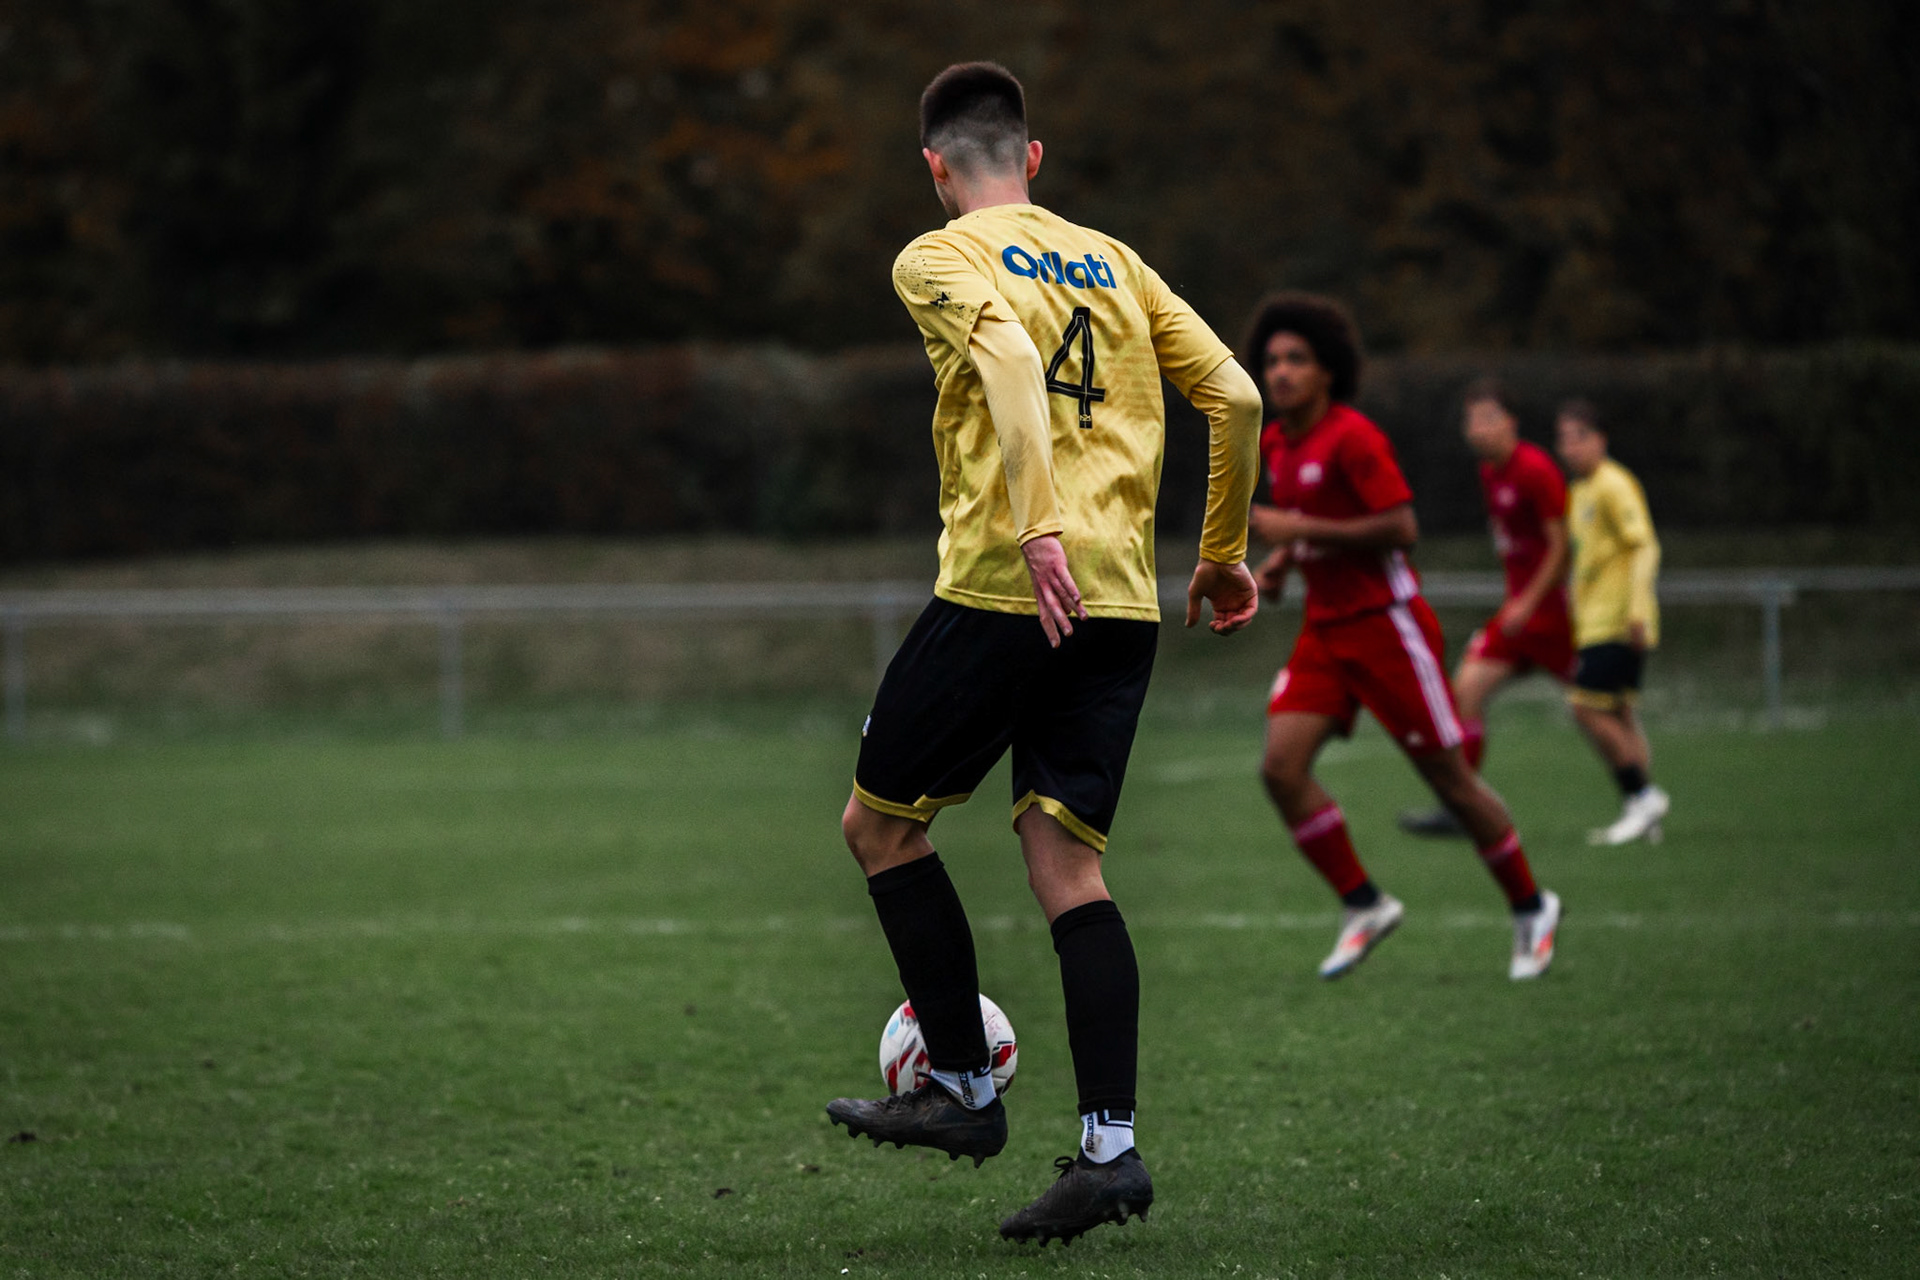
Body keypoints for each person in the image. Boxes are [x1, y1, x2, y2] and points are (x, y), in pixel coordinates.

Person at [824, 62, 1263, 1247]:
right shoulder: (1114, 259)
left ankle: (962, 1083)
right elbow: (1235, 395)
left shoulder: (937, 256)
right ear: (1034, 157)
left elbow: (1012, 362)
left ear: (935, 169)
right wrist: (1217, 555)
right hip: (1119, 602)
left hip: (1011, 585)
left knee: (880, 826)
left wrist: (1036, 525)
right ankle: (1109, 1154)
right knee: (1066, 865)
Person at [1246, 293, 1560, 982]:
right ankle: (1364, 903)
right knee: (1280, 768)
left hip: (1388, 630)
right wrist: (1281, 564)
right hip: (1324, 632)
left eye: (1296, 359)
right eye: (1272, 361)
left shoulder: (1355, 437)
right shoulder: (1275, 441)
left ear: (1328, 370)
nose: (1281, 372)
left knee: (1449, 781)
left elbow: (1400, 527)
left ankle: (1532, 905)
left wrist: (1298, 534)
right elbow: (1309, 520)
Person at [1399, 378, 1575, 838]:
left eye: (1487, 419)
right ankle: (1463, 807)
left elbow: (1562, 550)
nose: (1476, 429)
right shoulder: (1490, 472)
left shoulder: (1535, 469)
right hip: (1518, 615)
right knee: (1467, 691)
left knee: (1600, 707)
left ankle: (1639, 792)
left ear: (1511, 423)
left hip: (1552, 615)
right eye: (1470, 420)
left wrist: (1529, 602)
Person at [1556, 399, 1669, 845]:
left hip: (1618, 621)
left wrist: (1638, 609)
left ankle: (1642, 796)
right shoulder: (1579, 493)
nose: (1570, 448)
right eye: (1563, 439)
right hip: (1594, 623)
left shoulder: (1614, 485)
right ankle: (1645, 817)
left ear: (1601, 439)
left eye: (1578, 437)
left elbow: (1645, 547)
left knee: (1584, 707)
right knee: (1620, 713)